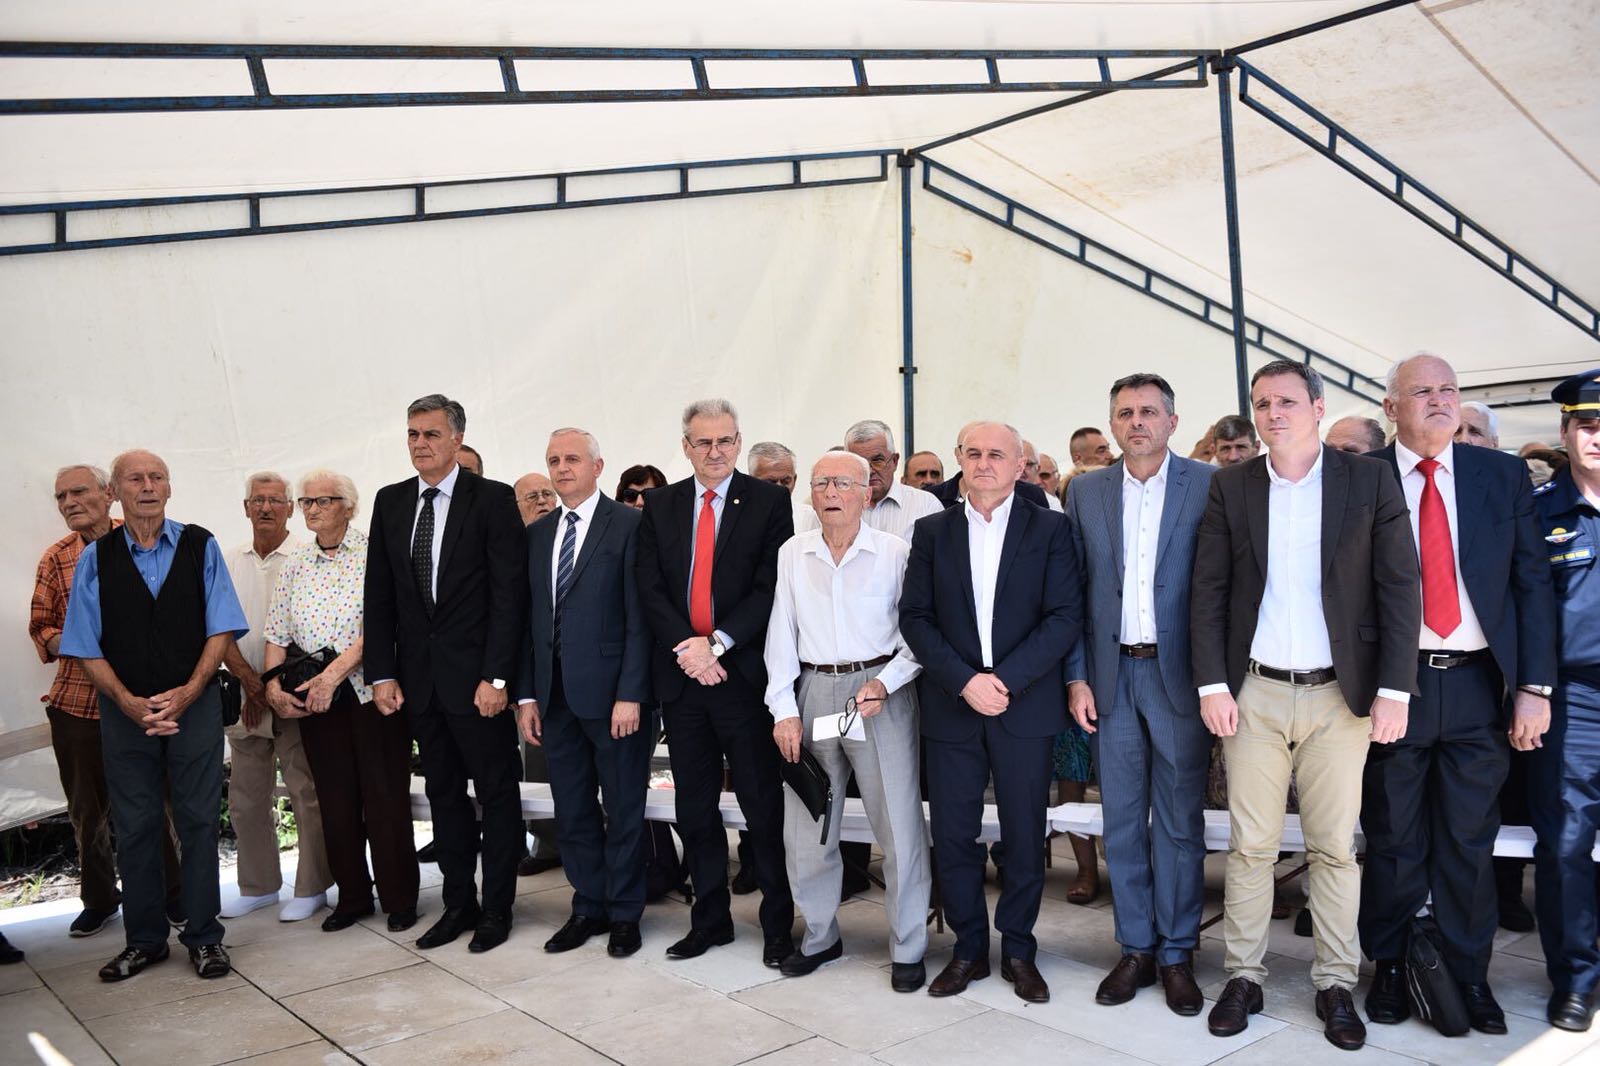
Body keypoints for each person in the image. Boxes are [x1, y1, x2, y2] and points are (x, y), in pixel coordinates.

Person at [1190, 361, 1420, 1050]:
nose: (1273, 414)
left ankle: (1335, 983)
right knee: (1251, 846)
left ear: (1318, 408)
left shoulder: (1367, 480)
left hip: (1340, 696)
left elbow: (1400, 586)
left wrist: (1394, 689)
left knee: (1334, 849)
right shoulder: (1232, 484)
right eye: (1262, 403)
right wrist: (1212, 685)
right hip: (1254, 692)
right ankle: (1244, 976)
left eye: (1287, 401)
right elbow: (1209, 590)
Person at [1359, 354, 1555, 1035]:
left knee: (1470, 839)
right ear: (1391, 408)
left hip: (1478, 682)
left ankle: (1469, 974)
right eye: (1422, 391)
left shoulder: (1498, 475)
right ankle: (1390, 966)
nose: (1440, 400)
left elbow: (1532, 584)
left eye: (1449, 389)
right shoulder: (1361, 477)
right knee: (1393, 835)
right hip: (1395, 686)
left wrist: (1533, 687)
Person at [900, 421, 1081, 1004]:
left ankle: (1020, 950)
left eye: (997, 454)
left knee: (1025, 836)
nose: (984, 463)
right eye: (973, 453)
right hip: (953, 706)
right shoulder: (932, 530)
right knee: (954, 835)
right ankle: (969, 950)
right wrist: (965, 681)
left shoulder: (1051, 528)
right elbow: (915, 617)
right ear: (959, 458)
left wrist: (1002, 681)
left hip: (1022, 704)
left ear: (1020, 464)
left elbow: (1064, 616)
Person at [61, 450, 249, 982]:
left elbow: (222, 628)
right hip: (125, 713)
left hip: (195, 706)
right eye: (135, 479)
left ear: (169, 488)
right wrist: (126, 701)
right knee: (136, 825)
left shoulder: (200, 545)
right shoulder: (95, 559)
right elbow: (84, 643)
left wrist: (189, 692)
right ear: (115, 493)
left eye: (156, 477)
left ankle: (205, 937)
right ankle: (144, 941)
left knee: (198, 821)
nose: (147, 486)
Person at [1065, 373, 1214, 1016]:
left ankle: (1178, 952)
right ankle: (1135, 949)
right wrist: (1077, 676)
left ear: (1172, 422)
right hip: (1111, 676)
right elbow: (1073, 590)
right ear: (1112, 424)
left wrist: (1216, 680)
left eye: (1149, 412)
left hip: (1180, 676)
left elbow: (1222, 588)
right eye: (1124, 413)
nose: (1137, 422)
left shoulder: (1209, 485)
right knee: (1122, 821)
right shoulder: (1085, 491)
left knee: (1179, 822)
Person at [364, 393, 528, 954]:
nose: (420, 444)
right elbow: (380, 596)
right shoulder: (390, 502)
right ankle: (459, 904)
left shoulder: (492, 499)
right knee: (443, 796)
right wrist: (382, 674)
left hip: (479, 684)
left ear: (457, 440)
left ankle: (497, 909)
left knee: (497, 795)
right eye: (412, 434)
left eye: (431, 434)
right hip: (421, 684)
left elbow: (509, 597)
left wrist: (498, 678)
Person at [635, 398, 796, 966]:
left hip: (741, 678)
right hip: (684, 680)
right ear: (686, 446)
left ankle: (778, 925)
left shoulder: (769, 501)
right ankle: (710, 921)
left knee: (762, 808)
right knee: (695, 809)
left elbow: (770, 585)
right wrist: (690, 649)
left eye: (725, 440)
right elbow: (650, 586)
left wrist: (718, 644)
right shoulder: (661, 504)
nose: (715, 451)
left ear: (738, 442)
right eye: (703, 442)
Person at [765, 451, 932, 990]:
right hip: (814, 689)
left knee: (898, 826)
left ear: (867, 493)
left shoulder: (894, 552)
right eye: (821, 483)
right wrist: (784, 710)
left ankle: (909, 945)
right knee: (808, 823)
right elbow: (780, 634)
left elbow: (918, 634)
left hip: (879, 692)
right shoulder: (793, 553)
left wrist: (888, 682)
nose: (831, 492)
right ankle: (819, 936)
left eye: (842, 483)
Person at [515, 429, 655, 959]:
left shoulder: (631, 525)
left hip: (614, 698)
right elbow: (529, 622)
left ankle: (625, 913)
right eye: (553, 460)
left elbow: (641, 618)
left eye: (572, 458)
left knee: (623, 809)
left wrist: (631, 693)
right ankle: (588, 905)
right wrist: (527, 696)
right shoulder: (538, 534)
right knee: (571, 811)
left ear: (598, 466)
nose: (562, 468)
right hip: (554, 700)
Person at [30, 464, 183, 938]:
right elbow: (41, 627)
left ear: (109, 493)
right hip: (78, 704)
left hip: (143, 700)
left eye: (78, 492)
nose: (69, 502)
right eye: (61, 496)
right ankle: (99, 900)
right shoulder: (56, 558)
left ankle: (174, 894)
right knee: (86, 811)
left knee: (155, 803)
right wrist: (82, 641)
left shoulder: (144, 540)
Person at [265, 471, 419, 933]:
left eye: (324, 500)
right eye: (306, 501)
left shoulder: (376, 553)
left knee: (385, 797)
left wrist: (332, 676)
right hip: (315, 699)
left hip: (373, 693)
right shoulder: (295, 563)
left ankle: (399, 898)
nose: (312, 509)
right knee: (334, 799)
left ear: (349, 506)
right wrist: (272, 686)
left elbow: (385, 624)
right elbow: (276, 631)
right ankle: (352, 897)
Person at [219, 472, 332, 923]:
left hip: (291, 694)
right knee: (246, 798)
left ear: (290, 508)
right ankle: (259, 886)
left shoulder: (306, 557)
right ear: (245, 508)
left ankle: (312, 887)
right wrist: (250, 683)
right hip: (244, 693)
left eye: (275, 501)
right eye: (257, 500)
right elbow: (217, 629)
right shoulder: (228, 561)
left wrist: (273, 686)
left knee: (306, 791)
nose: (265, 508)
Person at [1530, 370, 1600, 1032]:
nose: (1597, 436)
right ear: (1565, 431)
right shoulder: (1539, 510)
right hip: (1574, 698)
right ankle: (1576, 977)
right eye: (1587, 424)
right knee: (1566, 842)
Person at [512, 469, 564, 878]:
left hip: (577, 672)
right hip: (529, 674)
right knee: (538, 760)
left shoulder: (568, 536)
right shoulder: (515, 547)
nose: (543, 501)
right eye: (532, 497)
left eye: (548, 494)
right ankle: (547, 844)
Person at [796, 420, 942, 542]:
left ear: (895, 461)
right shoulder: (829, 507)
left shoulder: (926, 506)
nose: (869, 470)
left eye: (877, 460)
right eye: (860, 463)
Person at [931, 423, 1051, 509]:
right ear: (958, 455)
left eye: (994, 455)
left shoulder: (1031, 495)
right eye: (973, 453)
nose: (983, 464)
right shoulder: (932, 498)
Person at [1023, 440, 1064, 512]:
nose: (1037, 482)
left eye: (1044, 475)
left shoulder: (1073, 506)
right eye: (1034, 476)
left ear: (1057, 479)